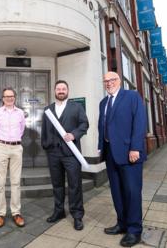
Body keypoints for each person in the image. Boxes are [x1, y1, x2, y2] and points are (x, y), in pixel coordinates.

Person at [98, 72, 147, 247]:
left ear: (119, 81)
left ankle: (134, 231)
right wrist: (100, 147)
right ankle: (122, 223)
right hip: (111, 154)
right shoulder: (103, 103)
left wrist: (135, 148)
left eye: (112, 80)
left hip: (129, 154)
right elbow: (102, 126)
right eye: (106, 81)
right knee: (117, 192)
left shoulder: (132, 96)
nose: (109, 83)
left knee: (132, 193)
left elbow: (140, 122)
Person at [41, 80, 89, 231]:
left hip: (71, 153)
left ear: (68, 91)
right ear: (55, 91)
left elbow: (84, 124)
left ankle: (77, 215)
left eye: (63, 88)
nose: (61, 91)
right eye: (58, 89)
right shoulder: (48, 109)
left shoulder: (77, 107)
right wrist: (46, 145)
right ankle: (59, 211)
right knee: (57, 185)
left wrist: (74, 135)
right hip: (53, 153)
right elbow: (44, 129)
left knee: (75, 185)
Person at [0, 87, 26, 228]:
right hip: (1, 147)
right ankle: (1, 213)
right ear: (3, 98)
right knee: (0, 183)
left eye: (11, 96)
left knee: (16, 182)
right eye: (6, 96)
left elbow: (22, 130)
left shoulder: (20, 113)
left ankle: (16, 212)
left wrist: (14, 142)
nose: (9, 98)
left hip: (17, 148)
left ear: (14, 98)